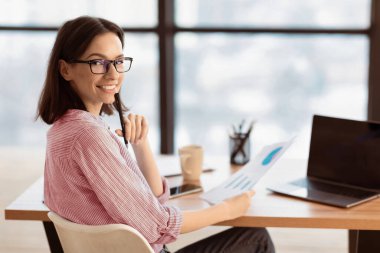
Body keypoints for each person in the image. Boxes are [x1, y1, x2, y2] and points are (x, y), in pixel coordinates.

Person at [36, 16, 275, 253]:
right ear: (65, 69)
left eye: (118, 61)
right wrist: (228, 210)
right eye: (97, 63)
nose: (113, 75)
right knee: (256, 238)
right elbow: (159, 226)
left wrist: (141, 145)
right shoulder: (88, 137)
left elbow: (153, 204)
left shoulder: (63, 130)